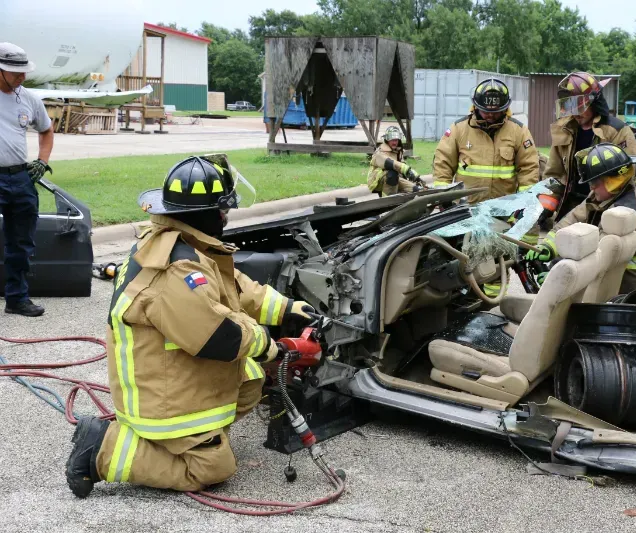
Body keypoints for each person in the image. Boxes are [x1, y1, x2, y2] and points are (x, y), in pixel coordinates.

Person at [65, 155, 316, 497]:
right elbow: (219, 337)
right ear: (204, 214)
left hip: (168, 375)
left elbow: (235, 286)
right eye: (222, 210)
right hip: (160, 399)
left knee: (250, 379)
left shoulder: (181, 243)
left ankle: (197, 439)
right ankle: (102, 447)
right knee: (215, 468)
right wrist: (274, 347)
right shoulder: (177, 269)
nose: (226, 216)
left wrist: (286, 309)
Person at [526, 143, 636, 301]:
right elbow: (574, 218)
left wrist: (562, 276)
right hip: (625, 292)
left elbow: (597, 255)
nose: (591, 187)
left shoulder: (630, 216)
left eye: (595, 182)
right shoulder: (607, 195)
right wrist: (550, 245)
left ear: (612, 181)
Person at [538, 72, 636, 224]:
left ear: (595, 102)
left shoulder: (617, 131)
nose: (576, 112)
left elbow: (630, 173)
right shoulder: (564, 130)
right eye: (571, 106)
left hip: (606, 206)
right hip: (571, 204)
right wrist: (546, 205)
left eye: (581, 106)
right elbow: (554, 174)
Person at [0, 42, 54, 317]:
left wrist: (42, 161)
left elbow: (46, 130)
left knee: (21, 243)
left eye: (24, 72)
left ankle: (17, 299)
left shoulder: (29, 99)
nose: (22, 77)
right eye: (15, 72)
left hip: (20, 178)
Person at [432, 78, 539, 204]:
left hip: (504, 209)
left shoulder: (519, 132)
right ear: (475, 107)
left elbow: (528, 169)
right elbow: (443, 164)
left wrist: (525, 202)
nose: (491, 115)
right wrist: (444, 199)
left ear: (505, 109)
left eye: (496, 112)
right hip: (465, 209)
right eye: (486, 111)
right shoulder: (458, 129)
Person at [368, 126, 423, 196]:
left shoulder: (397, 151)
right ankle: (387, 200)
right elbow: (390, 163)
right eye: (392, 140)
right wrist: (407, 170)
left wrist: (415, 178)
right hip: (377, 181)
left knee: (415, 189)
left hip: (396, 178)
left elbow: (402, 170)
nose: (395, 142)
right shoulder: (380, 152)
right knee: (392, 173)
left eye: (396, 140)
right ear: (387, 140)